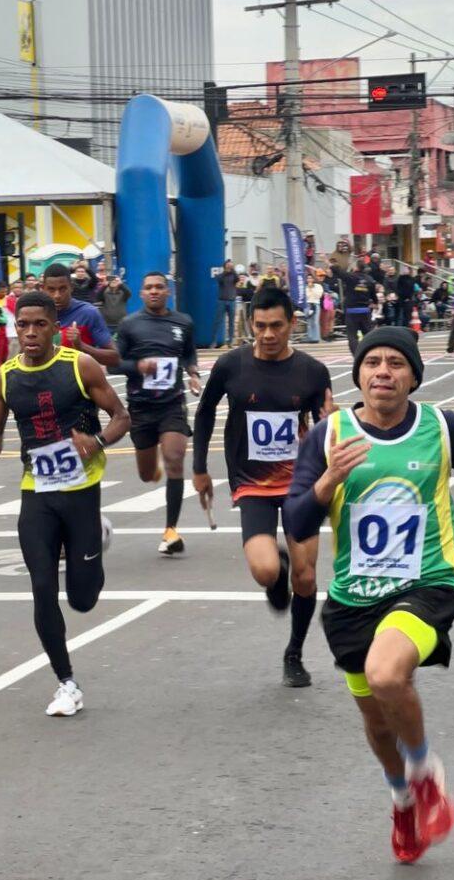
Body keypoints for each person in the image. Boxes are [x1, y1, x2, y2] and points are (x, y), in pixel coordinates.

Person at [283, 326, 454, 862]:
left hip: (427, 584)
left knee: (386, 673)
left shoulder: (442, 428)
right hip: (353, 598)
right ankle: (402, 799)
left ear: (413, 376)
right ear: (358, 374)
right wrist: (329, 479)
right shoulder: (329, 436)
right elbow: (297, 518)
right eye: (373, 362)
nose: (383, 371)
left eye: (396, 364)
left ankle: (425, 774)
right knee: (376, 722)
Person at [0, 289, 129, 717]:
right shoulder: (3, 377)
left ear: (54, 328)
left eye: (39, 324)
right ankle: (66, 682)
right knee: (42, 585)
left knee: (82, 599)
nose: (29, 332)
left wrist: (95, 442)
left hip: (82, 488)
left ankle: (97, 532)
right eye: (22, 325)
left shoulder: (80, 366)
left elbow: (122, 417)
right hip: (37, 491)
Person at [193, 286, 334, 688]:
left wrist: (330, 427)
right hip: (252, 482)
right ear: (249, 324)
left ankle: (295, 654)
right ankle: (279, 568)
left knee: (305, 581)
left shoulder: (311, 372)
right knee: (265, 570)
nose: (268, 335)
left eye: (276, 326)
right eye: (260, 326)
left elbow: (326, 426)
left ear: (292, 323)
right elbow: (203, 415)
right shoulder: (230, 366)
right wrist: (199, 468)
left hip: (301, 482)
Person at [116, 271, 201, 556]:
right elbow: (114, 364)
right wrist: (137, 367)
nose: (154, 291)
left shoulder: (183, 322)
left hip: (172, 404)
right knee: (146, 473)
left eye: (159, 287)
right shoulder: (130, 325)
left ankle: (170, 531)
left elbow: (189, 353)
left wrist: (192, 373)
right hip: (141, 407)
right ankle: (155, 465)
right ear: (141, 294)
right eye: (149, 287)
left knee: (175, 459)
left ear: (168, 292)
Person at [40, 263, 118, 367]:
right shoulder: (37, 314)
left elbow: (115, 358)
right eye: (51, 289)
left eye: (63, 289)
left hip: (81, 381)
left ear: (71, 287)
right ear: (43, 289)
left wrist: (81, 346)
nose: (57, 295)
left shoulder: (88, 313)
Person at [214, 259, 239, 347]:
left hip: (231, 301)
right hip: (222, 301)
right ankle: (214, 341)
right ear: (225, 266)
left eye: (230, 265)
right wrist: (225, 271)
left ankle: (230, 342)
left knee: (231, 322)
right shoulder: (221, 275)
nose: (229, 266)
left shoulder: (234, 276)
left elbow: (238, 278)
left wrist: (233, 269)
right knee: (218, 321)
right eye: (228, 265)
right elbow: (219, 279)